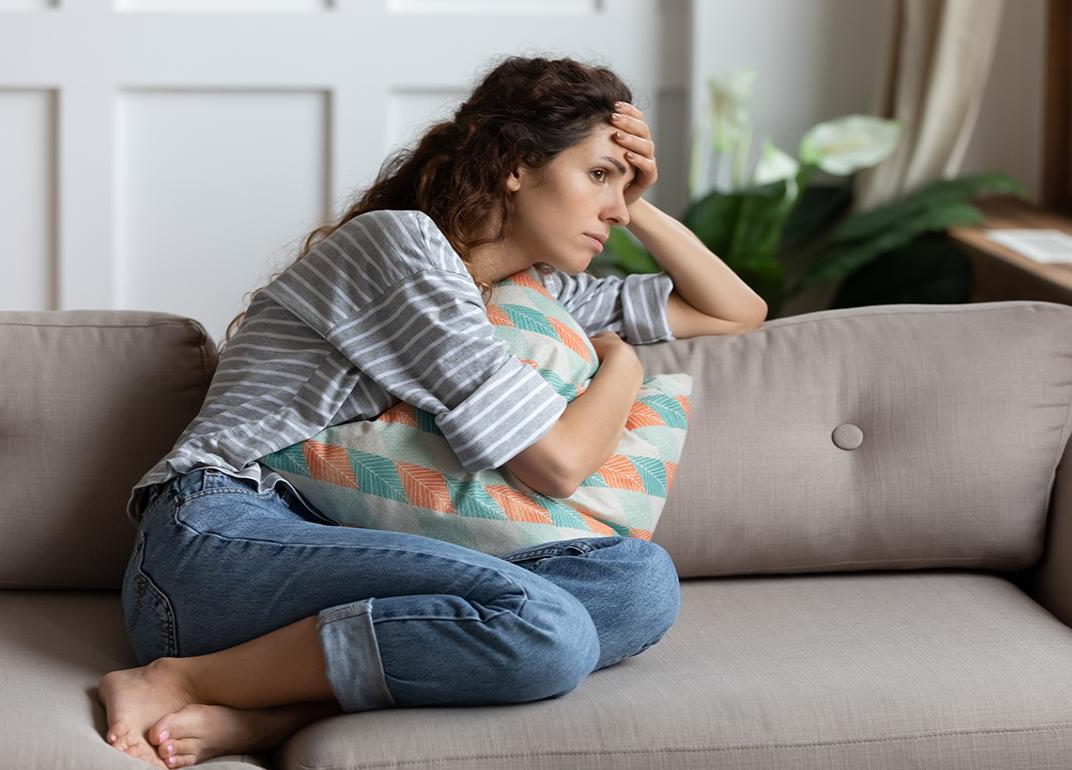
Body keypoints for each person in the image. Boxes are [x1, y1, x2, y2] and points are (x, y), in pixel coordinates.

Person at [98, 54, 763, 770]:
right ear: (515, 163)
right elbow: (558, 464)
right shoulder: (405, 247)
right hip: (221, 542)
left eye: (622, 186)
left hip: (337, 547)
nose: (614, 208)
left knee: (637, 584)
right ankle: (178, 678)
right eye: (598, 175)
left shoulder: (532, 293)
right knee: (548, 630)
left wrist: (640, 200)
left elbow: (737, 312)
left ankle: (279, 711)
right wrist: (623, 366)